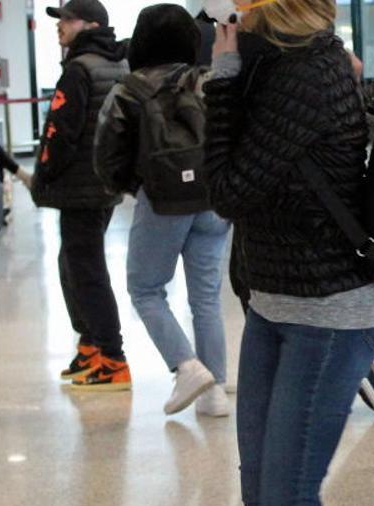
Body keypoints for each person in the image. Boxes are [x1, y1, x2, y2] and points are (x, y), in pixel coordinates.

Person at [203, 0, 374, 506]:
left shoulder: (306, 72)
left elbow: (228, 191)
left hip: (327, 317)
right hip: (274, 305)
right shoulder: (277, 64)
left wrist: (222, 82)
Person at [94, 4, 231, 416]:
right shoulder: (207, 81)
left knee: (146, 289)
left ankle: (186, 366)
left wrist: (130, 187)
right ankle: (215, 392)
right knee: (205, 298)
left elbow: (107, 151)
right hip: (213, 199)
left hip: (163, 200)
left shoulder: (129, 88)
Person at [31, 0, 130, 391]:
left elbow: (60, 132)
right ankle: (90, 344)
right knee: (74, 262)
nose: (60, 26)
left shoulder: (79, 69)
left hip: (78, 186)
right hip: (103, 183)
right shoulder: (117, 64)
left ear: (90, 25)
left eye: (67, 20)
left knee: (86, 270)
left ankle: (112, 357)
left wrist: (43, 177)